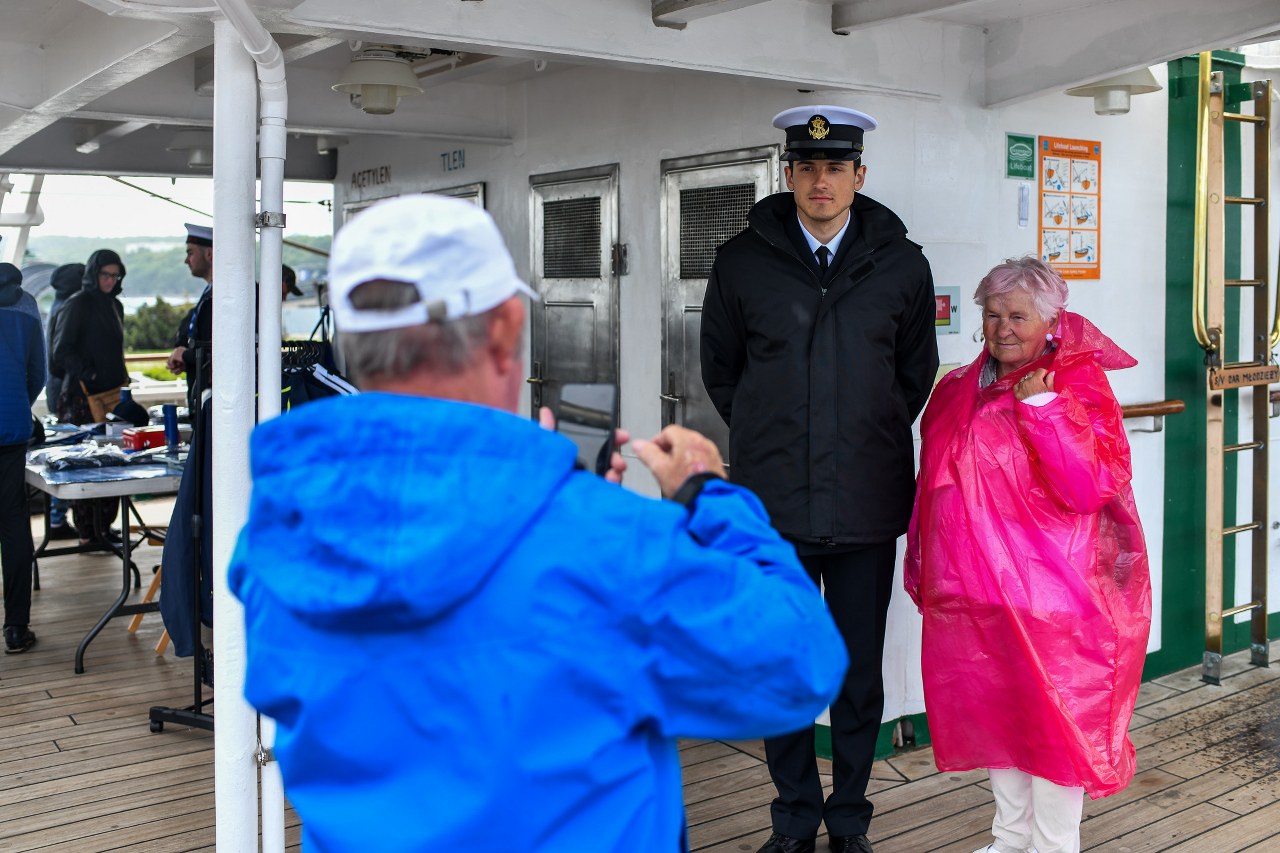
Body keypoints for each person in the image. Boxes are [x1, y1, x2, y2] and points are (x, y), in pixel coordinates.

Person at [228, 194, 850, 852]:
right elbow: (799, 662)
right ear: (505, 329)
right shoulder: (605, 542)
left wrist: (553, 497)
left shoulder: (278, 541)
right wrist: (709, 493)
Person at [700, 106, 938, 853]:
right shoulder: (742, 262)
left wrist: (861, 433)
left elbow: (913, 375)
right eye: (807, 167)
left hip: (866, 502)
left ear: (859, 175)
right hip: (775, 508)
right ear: (789, 175)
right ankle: (795, 819)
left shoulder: (903, 265)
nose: (820, 180)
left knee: (857, 675)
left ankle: (850, 818)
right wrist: (773, 434)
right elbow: (722, 372)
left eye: (835, 167)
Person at [904, 257, 1151, 853]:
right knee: (998, 715)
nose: (1003, 328)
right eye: (993, 315)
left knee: (1056, 726)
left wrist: (1043, 412)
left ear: (1049, 320)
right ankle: (1009, 840)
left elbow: (1091, 485)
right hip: (973, 587)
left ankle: (1053, 846)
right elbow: (931, 484)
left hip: (1051, 591)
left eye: (1018, 316)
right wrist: (924, 564)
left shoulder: (1075, 384)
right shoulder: (958, 387)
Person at [51, 249, 129, 545]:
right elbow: (61, 351)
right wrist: (91, 374)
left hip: (111, 398)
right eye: (105, 274)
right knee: (84, 465)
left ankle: (103, 529)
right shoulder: (78, 303)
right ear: (93, 274)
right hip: (80, 398)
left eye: (115, 276)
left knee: (112, 461)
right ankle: (88, 532)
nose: (110, 280)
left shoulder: (115, 305)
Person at [0, 261, 43, 653]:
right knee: (13, 525)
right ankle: (16, 628)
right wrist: (16, 405)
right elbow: (38, 373)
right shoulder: (26, 304)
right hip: (11, 431)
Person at [43, 261, 85, 539]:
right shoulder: (71, 308)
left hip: (54, 392)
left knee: (63, 452)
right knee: (72, 457)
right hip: (67, 393)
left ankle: (57, 520)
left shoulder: (56, 306)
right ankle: (60, 520)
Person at [167, 223, 213, 418]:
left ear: (209, 254)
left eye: (190, 253)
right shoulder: (210, 294)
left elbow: (221, 351)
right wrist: (186, 357)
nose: (186, 260)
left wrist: (184, 354)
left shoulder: (224, 296)